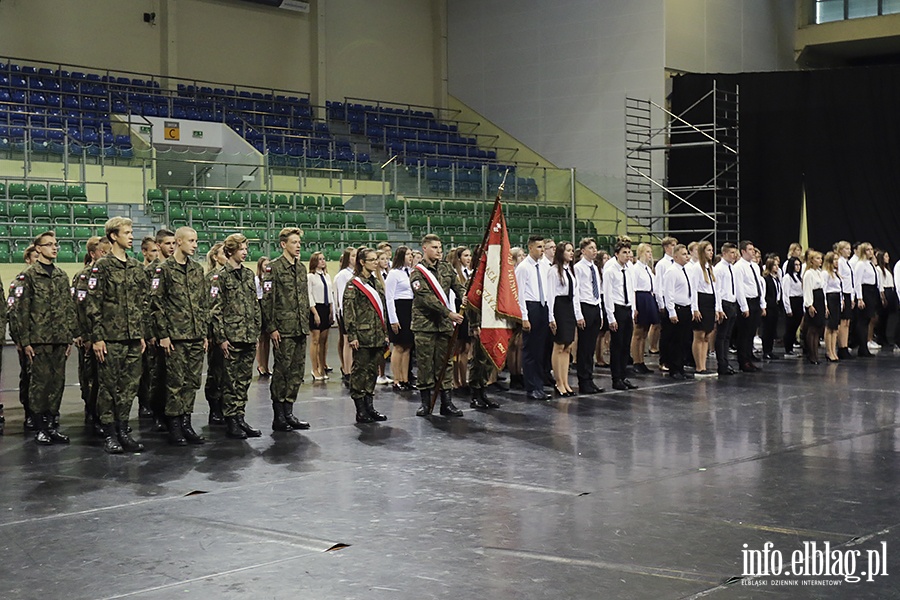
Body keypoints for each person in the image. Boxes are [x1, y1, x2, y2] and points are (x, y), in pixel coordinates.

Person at [84, 218, 147, 454]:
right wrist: (97, 337)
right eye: (127, 233)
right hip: (110, 338)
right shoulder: (101, 267)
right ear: (113, 236)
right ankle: (109, 433)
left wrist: (140, 333)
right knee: (108, 388)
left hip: (132, 337)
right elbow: (93, 304)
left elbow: (142, 302)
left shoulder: (136, 266)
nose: (131, 236)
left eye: (132, 232)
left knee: (128, 387)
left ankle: (122, 429)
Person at [149, 226, 210, 446]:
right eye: (191, 241)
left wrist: (203, 332)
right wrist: (163, 334)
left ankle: (186, 423)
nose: (195, 245)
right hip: (175, 336)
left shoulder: (196, 269)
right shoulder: (164, 269)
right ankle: (174, 425)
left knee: (191, 382)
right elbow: (156, 304)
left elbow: (202, 303)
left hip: (194, 335)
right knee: (174, 383)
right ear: (178, 242)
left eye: (196, 241)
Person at [18, 231, 76, 445]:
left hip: (59, 338)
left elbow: (69, 307)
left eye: (56, 244)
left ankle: (51, 426)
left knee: (57, 384)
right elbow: (21, 311)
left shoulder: (61, 275)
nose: (54, 248)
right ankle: (40, 427)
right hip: (39, 339)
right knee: (39, 385)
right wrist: (25, 341)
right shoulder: (29, 276)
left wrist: (69, 336)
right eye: (49, 244)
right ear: (38, 248)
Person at [211, 233, 264, 439]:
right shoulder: (221, 276)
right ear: (231, 251)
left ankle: (240, 417)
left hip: (249, 335)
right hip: (231, 337)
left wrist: (257, 330)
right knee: (230, 381)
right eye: (242, 249)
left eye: (245, 249)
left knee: (243, 380)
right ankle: (231, 419)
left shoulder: (249, 275)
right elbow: (215, 309)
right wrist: (221, 337)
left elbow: (254, 304)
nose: (245, 252)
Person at [261, 228, 313, 432]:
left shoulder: (300, 268)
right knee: (282, 371)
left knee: (296, 371)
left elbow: (304, 298)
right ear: (283, 244)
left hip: (300, 327)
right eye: (294, 242)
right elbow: (267, 300)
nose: (298, 245)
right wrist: (271, 327)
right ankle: (278, 415)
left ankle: (289, 411)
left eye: (299, 242)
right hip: (283, 328)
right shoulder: (272, 268)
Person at [409, 234, 466, 417]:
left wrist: (464, 295)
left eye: (440, 248)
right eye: (434, 247)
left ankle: (446, 403)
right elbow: (426, 299)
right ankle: (425, 403)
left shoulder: (446, 268)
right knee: (425, 364)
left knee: (445, 364)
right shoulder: (418, 272)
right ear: (424, 248)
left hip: (444, 325)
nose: (439, 251)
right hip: (425, 325)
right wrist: (449, 313)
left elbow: (458, 287)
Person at [343, 247, 389, 423]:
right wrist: (352, 335)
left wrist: (385, 332)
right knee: (360, 372)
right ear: (362, 262)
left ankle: (370, 406)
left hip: (377, 335)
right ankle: (360, 409)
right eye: (372, 260)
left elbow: (382, 310)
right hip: (362, 335)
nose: (376, 262)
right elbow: (349, 311)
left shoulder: (376, 283)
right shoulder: (353, 284)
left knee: (372, 372)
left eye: (376, 259)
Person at [72, 236, 110, 438]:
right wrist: (82, 335)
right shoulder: (84, 276)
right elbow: (80, 307)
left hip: (107, 334)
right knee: (92, 378)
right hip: (90, 336)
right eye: (103, 251)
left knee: (107, 381)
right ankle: (94, 415)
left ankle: (106, 417)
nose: (106, 254)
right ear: (93, 254)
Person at [141, 228, 176, 432]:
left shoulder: (176, 268)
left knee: (174, 377)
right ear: (158, 245)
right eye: (167, 244)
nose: (171, 247)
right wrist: (150, 333)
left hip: (176, 331)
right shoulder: (149, 272)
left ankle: (173, 413)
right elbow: (147, 305)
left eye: (174, 243)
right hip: (157, 333)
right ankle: (157, 413)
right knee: (157, 375)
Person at [7, 245, 39, 431]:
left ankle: (46, 414)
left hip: (44, 338)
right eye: (34, 256)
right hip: (27, 339)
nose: (37, 259)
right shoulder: (20, 281)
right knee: (29, 377)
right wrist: (18, 339)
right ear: (28, 259)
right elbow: (14, 312)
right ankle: (30, 413)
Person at [515, 236, 550, 401]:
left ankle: (539, 386)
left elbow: (548, 291)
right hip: (530, 306)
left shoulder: (544, 266)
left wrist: (550, 316)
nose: (541, 250)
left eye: (543, 247)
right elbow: (520, 294)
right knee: (530, 350)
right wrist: (524, 316)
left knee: (540, 350)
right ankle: (531, 387)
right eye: (538, 247)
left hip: (542, 306)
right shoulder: (523, 268)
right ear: (530, 248)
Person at [547, 241, 582, 397]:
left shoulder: (571, 271)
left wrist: (578, 314)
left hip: (568, 309)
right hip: (559, 308)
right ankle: (558, 382)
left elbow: (575, 295)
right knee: (559, 346)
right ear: (561, 253)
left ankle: (566, 382)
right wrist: (551, 316)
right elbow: (550, 295)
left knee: (568, 347)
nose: (571, 253)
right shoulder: (554, 271)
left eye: (572, 250)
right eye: (568, 250)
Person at [604, 239, 638, 390]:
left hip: (627, 308)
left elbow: (631, 290)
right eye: (624, 252)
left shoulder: (629, 269)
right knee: (616, 345)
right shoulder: (611, 270)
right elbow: (608, 294)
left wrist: (633, 309)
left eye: (629, 252)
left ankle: (624, 376)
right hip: (616, 308)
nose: (627, 255)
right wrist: (611, 316)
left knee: (626, 345)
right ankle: (616, 377)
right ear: (616, 254)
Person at [573, 237, 604, 394]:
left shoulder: (595, 267)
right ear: (583, 251)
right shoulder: (578, 268)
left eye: (595, 247)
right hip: (584, 306)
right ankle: (583, 380)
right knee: (584, 347)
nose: (594, 250)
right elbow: (576, 292)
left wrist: (600, 312)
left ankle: (590, 379)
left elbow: (597, 291)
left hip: (594, 306)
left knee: (591, 346)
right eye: (591, 248)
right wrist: (578, 314)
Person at [662, 244, 696, 380]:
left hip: (686, 307)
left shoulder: (686, 270)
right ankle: (674, 368)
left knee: (684, 340)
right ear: (675, 256)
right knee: (675, 341)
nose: (686, 256)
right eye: (683, 254)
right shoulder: (671, 271)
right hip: (677, 308)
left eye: (687, 253)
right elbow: (668, 293)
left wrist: (692, 308)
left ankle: (681, 367)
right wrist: (671, 311)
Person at [688, 240, 721, 377]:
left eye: (712, 250)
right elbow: (693, 289)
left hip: (710, 301)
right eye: (708, 250)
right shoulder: (697, 268)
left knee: (707, 335)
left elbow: (716, 289)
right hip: (701, 301)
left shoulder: (710, 268)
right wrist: (695, 308)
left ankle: (704, 365)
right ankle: (698, 366)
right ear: (702, 252)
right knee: (699, 335)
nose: (711, 253)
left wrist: (717, 308)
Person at [712, 242, 745, 376]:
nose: (734, 255)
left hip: (732, 303)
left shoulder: (732, 268)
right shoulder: (719, 268)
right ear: (724, 253)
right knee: (721, 336)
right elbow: (717, 290)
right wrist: (719, 308)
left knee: (727, 336)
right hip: (724, 304)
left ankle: (726, 362)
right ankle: (722, 364)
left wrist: (741, 305)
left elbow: (737, 287)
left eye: (735, 253)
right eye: (731, 253)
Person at [733, 240, 766, 372]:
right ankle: (743, 361)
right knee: (744, 334)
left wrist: (762, 303)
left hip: (755, 300)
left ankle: (749, 358)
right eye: (750, 249)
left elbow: (758, 285)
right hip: (746, 301)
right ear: (743, 252)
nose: (753, 252)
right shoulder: (739, 267)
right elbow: (740, 287)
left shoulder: (755, 266)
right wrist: (744, 306)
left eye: (753, 249)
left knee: (751, 332)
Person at [385, 246, 415, 391]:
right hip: (399, 309)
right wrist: (393, 319)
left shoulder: (411, 273)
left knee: (408, 346)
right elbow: (389, 298)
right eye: (408, 254)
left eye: (411, 254)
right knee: (398, 346)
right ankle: (396, 379)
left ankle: (405, 379)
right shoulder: (394, 274)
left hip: (410, 309)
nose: (410, 256)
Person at [203, 242, 227, 424]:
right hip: (216, 332)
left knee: (229, 373)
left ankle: (227, 407)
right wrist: (212, 334)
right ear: (215, 257)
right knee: (216, 371)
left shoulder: (231, 276)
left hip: (232, 330)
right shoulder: (211, 278)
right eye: (223, 253)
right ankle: (215, 408)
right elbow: (209, 308)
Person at [630, 242, 658, 374]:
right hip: (640, 297)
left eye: (650, 252)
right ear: (641, 253)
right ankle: (636, 360)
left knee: (645, 332)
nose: (650, 255)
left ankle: (642, 361)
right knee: (638, 332)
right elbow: (633, 289)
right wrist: (634, 307)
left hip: (648, 297)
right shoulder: (636, 269)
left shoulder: (648, 269)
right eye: (647, 252)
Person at [333, 247, 357, 387]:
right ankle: (347, 371)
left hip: (355, 312)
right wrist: (345, 315)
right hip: (346, 312)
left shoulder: (355, 273)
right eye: (353, 256)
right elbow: (343, 296)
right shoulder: (343, 275)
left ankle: (352, 369)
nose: (355, 258)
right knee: (348, 341)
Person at [654, 236, 678, 371]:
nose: (674, 247)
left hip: (676, 301)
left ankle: (674, 359)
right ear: (666, 247)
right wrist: (661, 304)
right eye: (672, 245)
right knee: (667, 334)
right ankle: (664, 360)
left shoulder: (676, 263)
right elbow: (659, 286)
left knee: (675, 334)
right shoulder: (663, 264)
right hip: (666, 300)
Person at [450, 246, 473, 391]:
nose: (469, 258)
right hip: (457, 310)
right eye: (465, 256)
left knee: (466, 347)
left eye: (470, 255)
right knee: (456, 348)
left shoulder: (471, 273)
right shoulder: (454, 274)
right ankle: (454, 379)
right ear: (459, 258)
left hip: (468, 313)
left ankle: (464, 379)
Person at [308, 251, 333, 381]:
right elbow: (309, 295)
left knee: (324, 340)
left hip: (326, 307)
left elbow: (330, 294)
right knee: (315, 339)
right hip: (315, 307)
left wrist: (331, 309)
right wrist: (315, 313)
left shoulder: (327, 276)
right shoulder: (310, 277)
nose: (323, 261)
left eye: (324, 259)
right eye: (319, 259)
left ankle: (322, 366)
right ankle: (314, 368)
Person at [853, 242, 881, 357]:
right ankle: (862, 347)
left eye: (871, 249)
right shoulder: (861, 264)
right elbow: (857, 282)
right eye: (868, 250)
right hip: (865, 291)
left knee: (868, 319)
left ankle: (864, 346)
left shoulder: (870, 264)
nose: (871, 252)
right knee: (863, 320)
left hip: (872, 291)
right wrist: (859, 298)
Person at [802, 250, 826, 365]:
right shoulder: (809, 274)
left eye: (821, 258)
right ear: (811, 261)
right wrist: (809, 305)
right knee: (812, 329)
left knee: (818, 328)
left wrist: (825, 305)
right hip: (813, 301)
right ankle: (811, 355)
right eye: (817, 258)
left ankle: (816, 354)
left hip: (820, 301)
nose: (820, 260)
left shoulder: (819, 272)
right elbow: (807, 290)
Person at [835, 241, 856, 360]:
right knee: (843, 322)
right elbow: (841, 280)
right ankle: (841, 347)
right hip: (843, 293)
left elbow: (850, 280)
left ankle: (845, 345)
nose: (849, 251)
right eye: (847, 249)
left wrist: (852, 297)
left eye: (849, 248)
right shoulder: (840, 262)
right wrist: (842, 296)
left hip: (848, 293)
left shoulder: (847, 263)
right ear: (841, 250)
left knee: (847, 322)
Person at [781, 256, 804, 357]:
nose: (798, 267)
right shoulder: (787, 277)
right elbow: (785, 294)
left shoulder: (799, 277)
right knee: (790, 327)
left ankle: (791, 347)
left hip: (799, 301)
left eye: (799, 265)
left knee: (795, 327)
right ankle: (788, 349)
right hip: (792, 301)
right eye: (796, 265)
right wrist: (788, 308)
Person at [761, 255, 782, 360]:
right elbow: (764, 293)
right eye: (774, 265)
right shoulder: (766, 279)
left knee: (773, 329)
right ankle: (766, 351)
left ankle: (770, 350)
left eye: (777, 265)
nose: (777, 267)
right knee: (767, 330)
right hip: (769, 306)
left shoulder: (776, 278)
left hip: (775, 306)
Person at [823, 251, 843, 362]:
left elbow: (839, 288)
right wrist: (825, 305)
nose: (836, 262)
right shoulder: (826, 273)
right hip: (830, 299)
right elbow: (824, 289)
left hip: (837, 299)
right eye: (834, 260)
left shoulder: (836, 273)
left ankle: (834, 350)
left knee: (836, 327)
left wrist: (841, 301)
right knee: (829, 326)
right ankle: (828, 351)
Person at [875, 249, 897, 349]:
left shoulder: (887, 269)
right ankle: (881, 337)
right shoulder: (879, 270)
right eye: (886, 256)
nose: (888, 258)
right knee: (882, 317)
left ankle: (885, 337)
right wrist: (883, 297)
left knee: (888, 317)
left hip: (890, 291)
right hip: (885, 292)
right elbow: (880, 285)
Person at [255, 256, 272, 377]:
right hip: (260, 305)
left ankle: (266, 365)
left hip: (268, 306)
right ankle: (260, 365)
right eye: (265, 265)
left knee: (267, 340)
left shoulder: (269, 278)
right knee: (261, 340)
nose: (266, 267)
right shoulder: (257, 279)